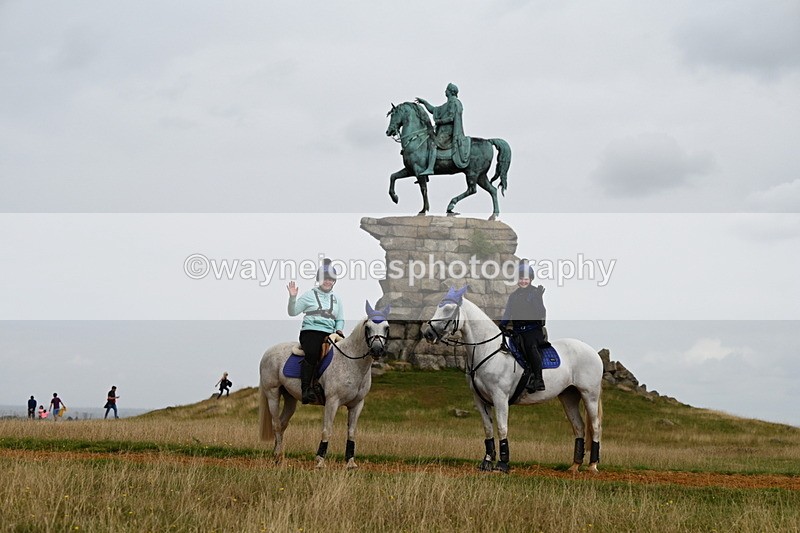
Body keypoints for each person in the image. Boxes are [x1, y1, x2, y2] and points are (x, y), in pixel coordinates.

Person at [287, 258, 345, 404]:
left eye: (331, 279)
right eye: (325, 279)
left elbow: (340, 319)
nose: (328, 282)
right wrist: (293, 297)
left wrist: (339, 330)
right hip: (311, 331)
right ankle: (306, 390)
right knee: (312, 354)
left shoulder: (337, 298)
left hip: (330, 333)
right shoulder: (309, 295)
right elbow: (293, 312)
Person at [499, 261, 547, 392]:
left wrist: (538, 299)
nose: (523, 281)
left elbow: (541, 313)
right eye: (521, 279)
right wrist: (502, 325)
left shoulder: (535, 293)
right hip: (517, 331)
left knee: (530, 347)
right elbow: (508, 312)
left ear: (531, 279)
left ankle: (538, 380)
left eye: (526, 279)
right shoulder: (513, 296)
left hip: (533, 330)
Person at [416, 82, 471, 173]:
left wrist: (439, 121)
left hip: (448, 132)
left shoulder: (454, 103)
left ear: (451, 92)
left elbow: (451, 118)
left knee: (433, 145)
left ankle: (430, 168)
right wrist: (424, 102)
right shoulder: (448, 103)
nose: (445, 91)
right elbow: (434, 110)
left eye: (446, 89)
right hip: (443, 131)